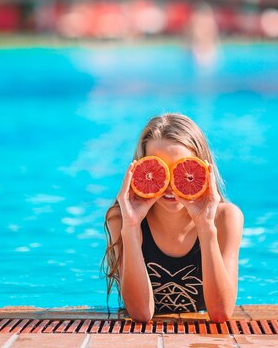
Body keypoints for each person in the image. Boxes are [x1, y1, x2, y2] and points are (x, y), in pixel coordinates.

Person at [102, 113, 243, 322]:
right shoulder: (120, 219)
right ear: (140, 170)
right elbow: (141, 314)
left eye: (181, 169)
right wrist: (131, 227)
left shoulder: (226, 218)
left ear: (203, 169)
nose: (169, 184)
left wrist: (205, 226)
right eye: (158, 169)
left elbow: (221, 313)